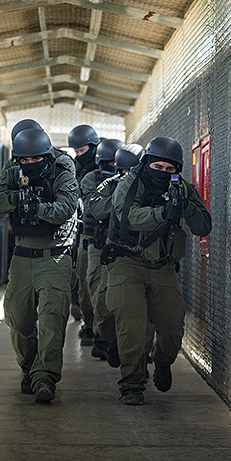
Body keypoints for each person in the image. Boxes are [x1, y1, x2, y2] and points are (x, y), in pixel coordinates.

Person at [104, 136, 212, 405]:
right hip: (127, 262)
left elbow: (203, 226)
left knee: (173, 330)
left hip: (163, 267)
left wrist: (183, 205)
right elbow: (127, 217)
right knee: (132, 328)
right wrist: (163, 213)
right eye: (158, 167)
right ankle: (132, 385)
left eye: (170, 169)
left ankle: (162, 361)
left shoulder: (181, 188)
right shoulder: (130, 182)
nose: (163, 173)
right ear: (147, 162)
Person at [0, 128, 79, 404]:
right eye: (24, 160)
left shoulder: (62, 174)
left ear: (47, 156)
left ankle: (45, 378)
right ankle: (30, 368)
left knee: (52, 320)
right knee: (18, 318)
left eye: (36, 159)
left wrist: (36, 207)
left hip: (55, 257)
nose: (30, 165)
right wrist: (15, 198)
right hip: (23, 258)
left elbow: (65, 208)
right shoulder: (13, 174)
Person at [89, 143, 144, 367]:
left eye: (130, 171)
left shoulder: (150, 186)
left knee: (140, 316)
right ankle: (110, 341)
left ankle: (139, 363)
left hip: (138, 256)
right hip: (111, 251)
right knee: (103, 304)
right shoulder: (109, 185)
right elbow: (96, 209)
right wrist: (121, 195)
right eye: (121, 171)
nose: (125, 175)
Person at [80, 138, 123, 359]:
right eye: (109, 165)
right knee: (97, 291)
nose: (114, 170)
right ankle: (102, 337)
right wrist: (121, 195)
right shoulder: (91, 180)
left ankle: (115, 340)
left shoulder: (131, 178)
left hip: (122, 245)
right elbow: (96, 208)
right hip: (97, 244)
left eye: (118, 165)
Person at [68, 124, 100, 346]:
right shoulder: (74, 168)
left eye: (83, 150)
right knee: (84, 278)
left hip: (104, 231)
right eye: (76, 151)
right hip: (82, 231)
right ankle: (89, 324)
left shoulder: (106, 163)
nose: (80, 155)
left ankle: (102, 328)